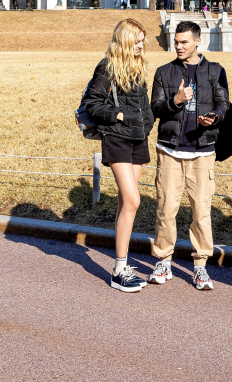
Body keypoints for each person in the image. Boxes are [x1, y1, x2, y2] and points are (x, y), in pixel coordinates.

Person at [148, 20, 230, 290]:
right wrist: (177, 101)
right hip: (169, 149)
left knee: (201, 211)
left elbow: (223, 104)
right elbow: (157, 108)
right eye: (176, 41)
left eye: (184, 41)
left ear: (197, 41)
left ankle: (200, 266)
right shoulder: (164, 72)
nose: (179, 46)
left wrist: (214, 118)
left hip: (202, 150)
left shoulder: (215, 71)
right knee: (166, 208)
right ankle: (163, 260)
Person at [83, 18, 155, 292]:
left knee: (128, 203)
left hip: (138, 139)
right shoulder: (107, 67)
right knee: (133, 200)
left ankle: (121, 263)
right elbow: (92, 102)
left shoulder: (138, 67)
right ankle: (118, 271)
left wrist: (145, 123)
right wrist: (119, 115)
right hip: (117, 139)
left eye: (142, 40)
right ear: (124, 40)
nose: (141, 44)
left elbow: (144, 104)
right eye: (136, 40)